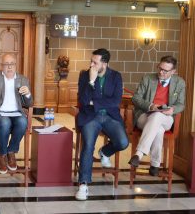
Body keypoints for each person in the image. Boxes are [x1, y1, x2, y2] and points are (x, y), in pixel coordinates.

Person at [75, 48, 129, 201]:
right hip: (90, 117)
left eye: (95, 62)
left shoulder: (116, 76)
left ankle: (105, 152)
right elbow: (84, 101)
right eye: (91, 61)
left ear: (104, 63)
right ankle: (83, 185)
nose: (91, 64)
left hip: (110, 116)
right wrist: (91, 82)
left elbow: (115, 101)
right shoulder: (85, 75)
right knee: (88, 146)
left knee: (123, 142)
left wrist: (95, 102)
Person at [128, 56, 185, 176]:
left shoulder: (180, 82)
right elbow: (136, 98)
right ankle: (155, 165)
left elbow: (181, 104)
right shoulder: (147, 78)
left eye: (165, 70)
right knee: (158, 128)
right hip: (145, 115)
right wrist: (151, 106)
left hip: (167, 118)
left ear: (173, 72)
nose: (161, 72)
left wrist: (173, 109)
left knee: (158, 117)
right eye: (160, 68)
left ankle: (139, 153)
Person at [0, 54, 33, 174]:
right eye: (6, 64)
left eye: (12, 64)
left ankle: (11, 152)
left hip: (16, 113)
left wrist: (27, 94)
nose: (9, 67)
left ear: (16, 65)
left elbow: (29, 103)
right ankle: (2, 155)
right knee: (5, 122)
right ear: (2, 66)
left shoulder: (23, 79)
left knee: (23, 121)